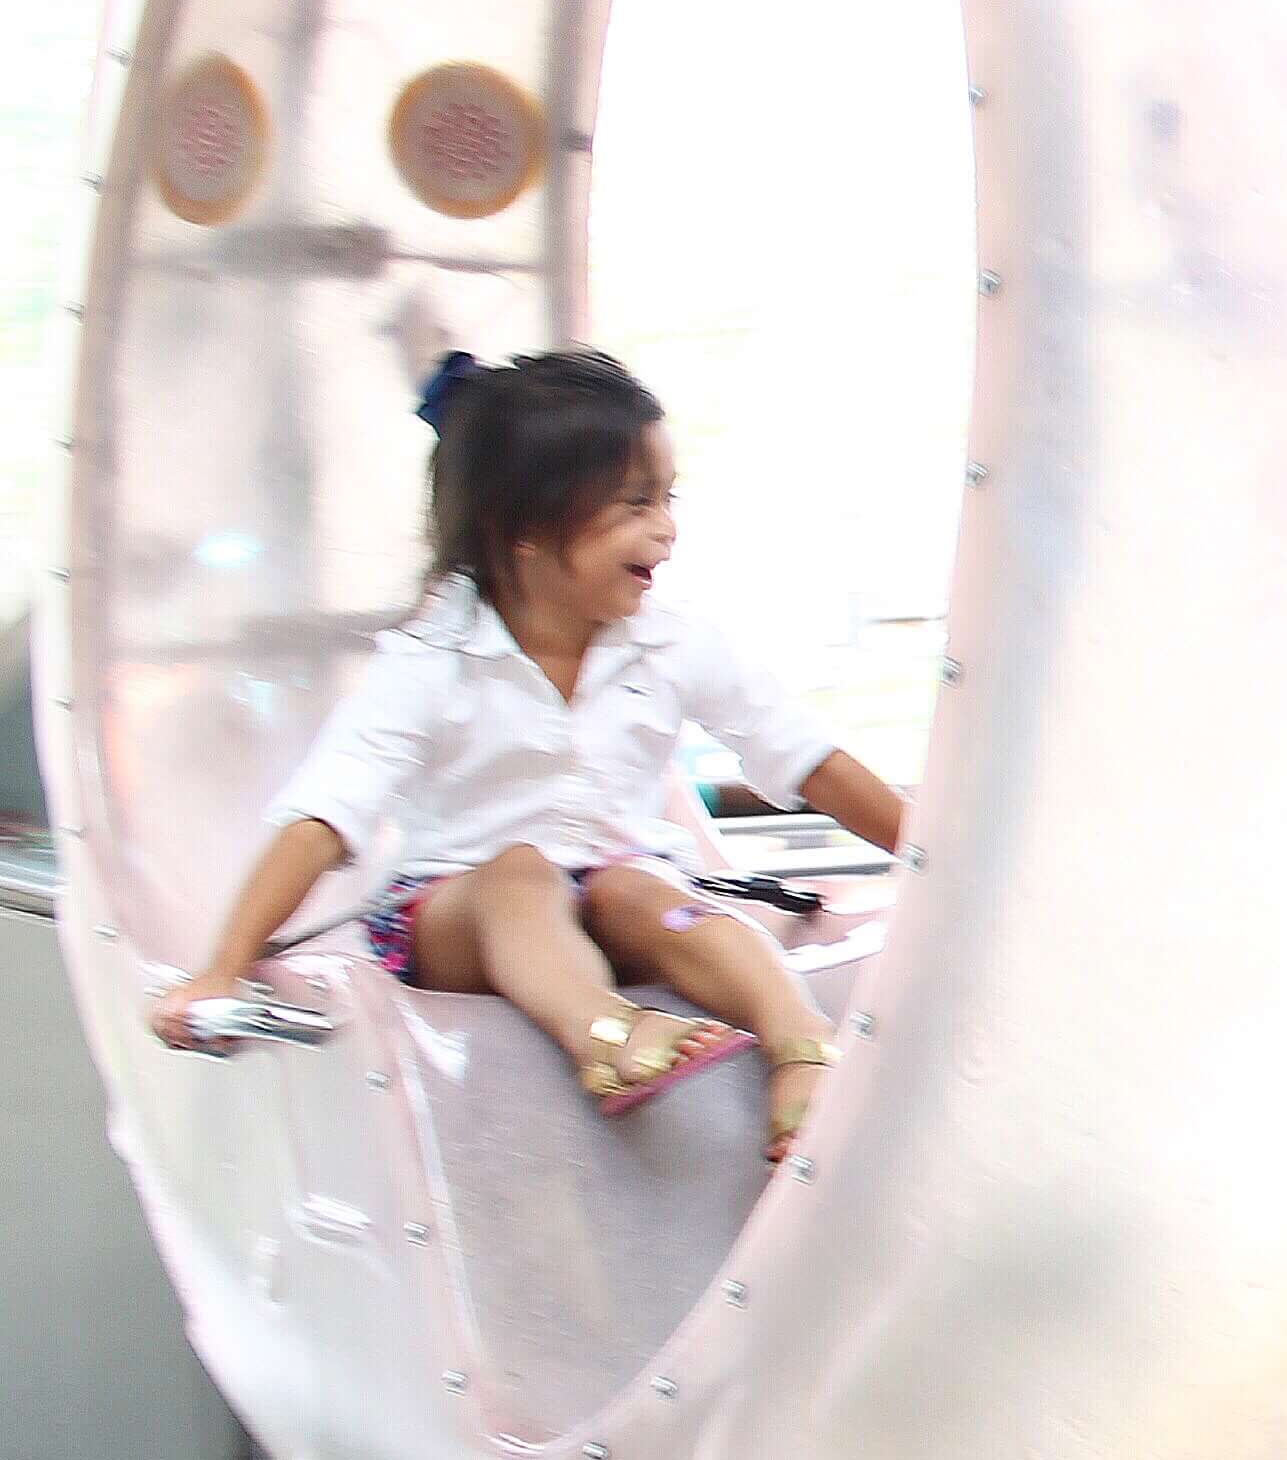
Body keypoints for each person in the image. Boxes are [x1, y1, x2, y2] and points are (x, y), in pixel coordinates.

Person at [146, 349, 905, 1164]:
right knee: (521, 872)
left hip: (618, 895)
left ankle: (803, 1048)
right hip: (461, 912)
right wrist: (221, 968)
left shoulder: (671, 642)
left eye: (667, 498)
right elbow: (324, 818)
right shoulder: (432, 659)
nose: (667, 529)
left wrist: (938, 862)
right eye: (635, 504)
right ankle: (601, 1033)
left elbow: (808, 759)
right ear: (528, 532)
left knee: (655, 893)